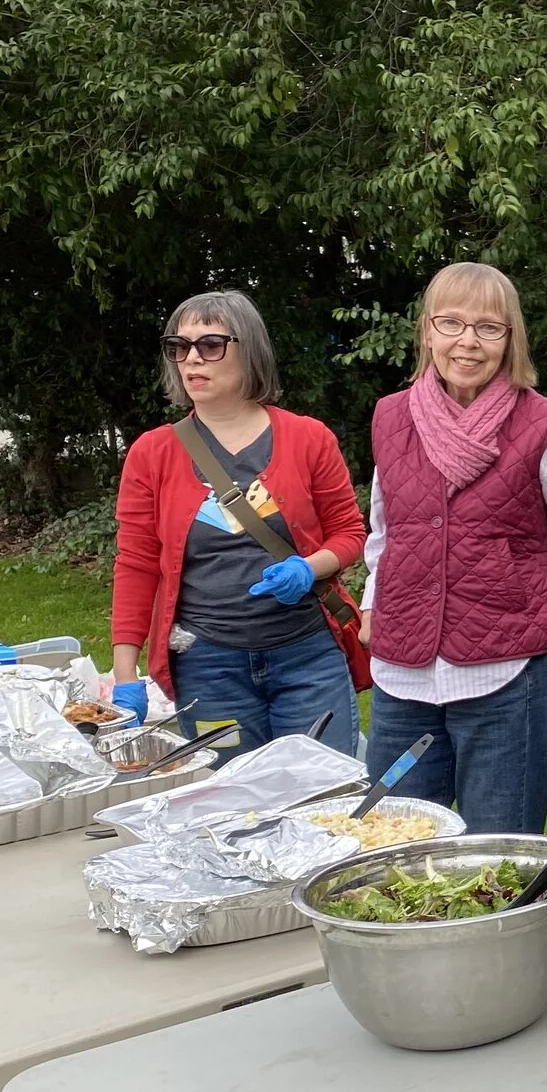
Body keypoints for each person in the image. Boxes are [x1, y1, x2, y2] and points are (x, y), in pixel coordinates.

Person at [358, 262, 547, 834]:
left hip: (504, 674)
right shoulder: (391, 418)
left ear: (510, 338)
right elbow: (386, 532)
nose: (468, 342)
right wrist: (372, 607)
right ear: (426, 332)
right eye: (452, 323)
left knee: (501, 852)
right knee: (391, 846)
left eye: (489, 328)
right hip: (402, 674)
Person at [112, 290, 365, 755]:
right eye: (179, 346)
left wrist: (310, 567)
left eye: (209, 345)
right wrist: (125, 673)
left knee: (322, 796)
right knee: (232, 802)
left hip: (306, 658)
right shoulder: (153, 453)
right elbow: (136, 564)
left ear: (249, 349)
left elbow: (350, 534)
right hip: (209, 667)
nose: (191, 359)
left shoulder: (309, 438)